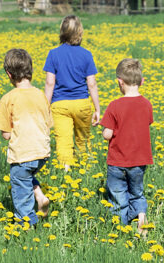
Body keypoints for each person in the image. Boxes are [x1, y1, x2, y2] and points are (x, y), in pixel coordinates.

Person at [0, 48, 51, 227]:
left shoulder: (8, 99)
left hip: (22, 155)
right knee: (26, 176)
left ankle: (27, 227)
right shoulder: (41, 95)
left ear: (8, 74)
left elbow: (6, 135)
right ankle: (40, 196)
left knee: (21, 195)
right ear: (30, 71)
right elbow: (48, 124)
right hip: (42, 154)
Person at [100, 58, 153, 232]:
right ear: (142, 82)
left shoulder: (114, 106)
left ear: (119, 82)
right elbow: (146, 124)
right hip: (139, 160)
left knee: (118, 197)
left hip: (117, 162)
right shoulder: (146, 104)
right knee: (137, 192)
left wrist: (104, 129)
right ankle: (141, 216)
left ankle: (119, 229)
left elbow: (107, 135)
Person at [43, 15, 100, 171]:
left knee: (63, 142)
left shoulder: (53, 54)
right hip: (82, 104)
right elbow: (92, 84)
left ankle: (65, 176)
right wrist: (97, 109)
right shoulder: (86, 54)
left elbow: (49, 83)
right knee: (83, 140)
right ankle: (87, 172)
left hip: (60, 105)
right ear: (80, 32)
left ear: (62, 32)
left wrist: (45, 107)